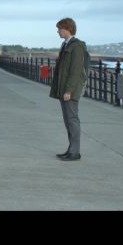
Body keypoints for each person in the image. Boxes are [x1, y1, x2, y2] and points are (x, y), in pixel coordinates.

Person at [49, 17, 88, 161]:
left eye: (59, 29)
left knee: (72, 120)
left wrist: (69, 91)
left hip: (69, 90)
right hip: (63, 88)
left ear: (67, 29)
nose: (58, 31)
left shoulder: (76, 46)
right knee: (68, 120)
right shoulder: (66, 45)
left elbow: (75, 71)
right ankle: (71, 149)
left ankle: (75, 152)